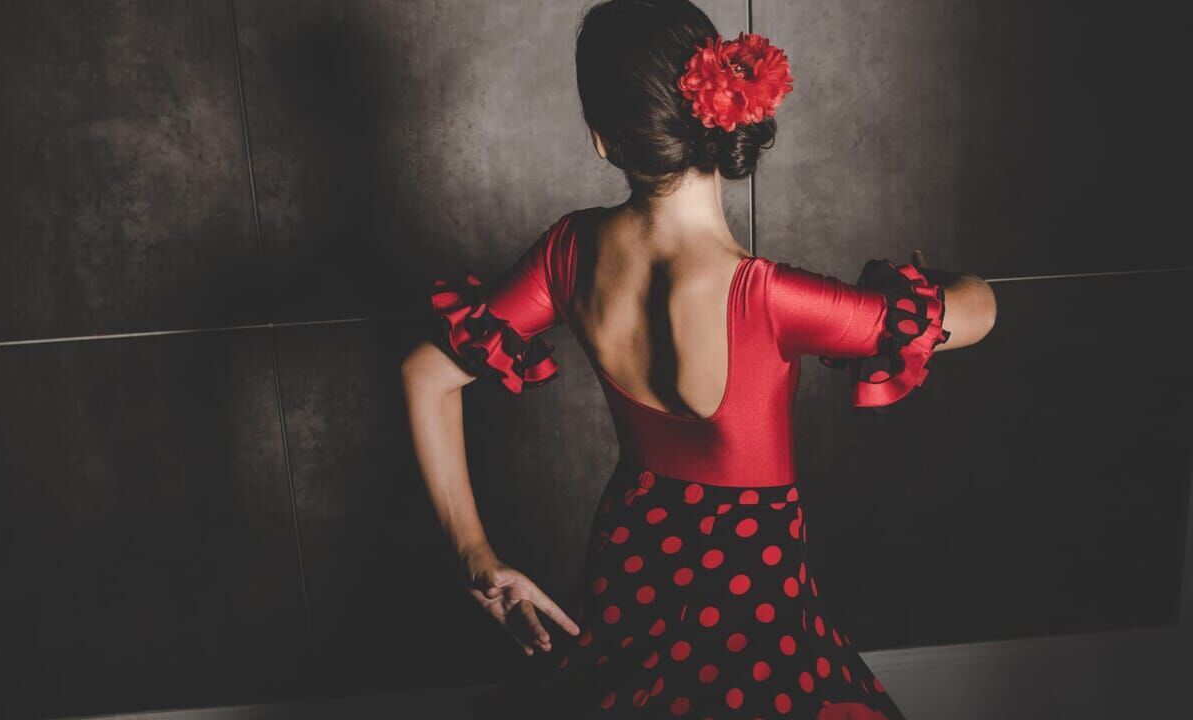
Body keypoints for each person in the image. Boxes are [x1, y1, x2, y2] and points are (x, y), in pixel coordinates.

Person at [401, 1, 997, 717]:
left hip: (627, 575)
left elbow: (426, 374)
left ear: (603, 141)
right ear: (728, 108)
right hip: (757, 611)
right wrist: (940, 281)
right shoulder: (768, 298)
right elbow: (975, 314)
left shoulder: (569, 251)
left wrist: (478, 558)